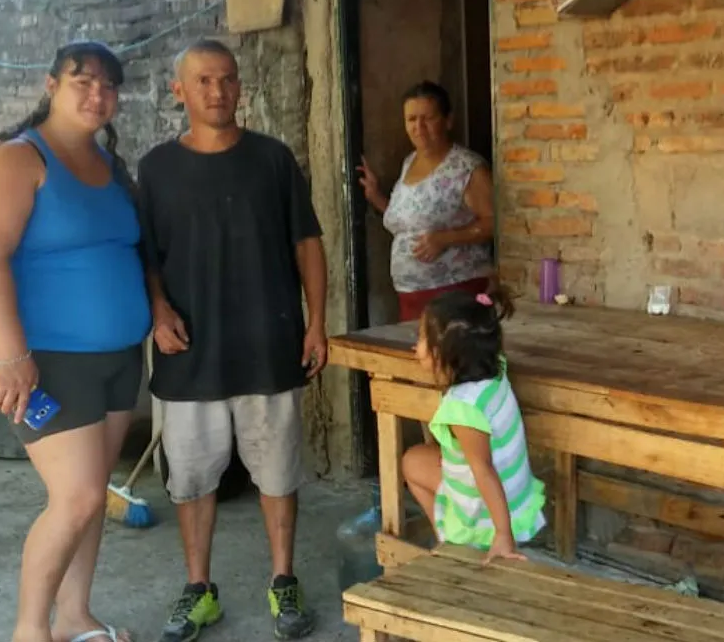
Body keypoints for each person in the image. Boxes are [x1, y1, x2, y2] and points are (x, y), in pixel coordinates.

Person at [137, 39, 327, 642]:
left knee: (277, 471)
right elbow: (146, 258)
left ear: (240, 86)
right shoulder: (157, 168)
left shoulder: (273, 159)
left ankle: (283, 582)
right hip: (188, 352)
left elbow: (307, 244)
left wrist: (316, 321)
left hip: (268, 345)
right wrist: (158, 310)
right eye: (202, 81)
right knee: (191, 479)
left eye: (226, 80)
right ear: (179, 91)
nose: (216, 92)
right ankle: (199, 590)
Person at [0, 41, 150, 642]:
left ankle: (75, 616)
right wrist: (12, 356)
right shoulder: (19, 161)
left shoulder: (108, 166)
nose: (98, 94)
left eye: (108, 85)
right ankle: (30, 630)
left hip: (119, 359)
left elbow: (128, 253)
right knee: (74, 498)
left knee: (94, 497)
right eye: (83, 81)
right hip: (51, 363)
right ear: (51, 85)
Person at [401, 285, 547, 561]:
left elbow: (483, 471)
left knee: (411, 463)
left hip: (487, 514)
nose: (415, 347)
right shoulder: (495, 369)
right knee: (416, 458)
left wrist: (503, 535)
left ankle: (456, 543)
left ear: (445, 353)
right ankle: (454, 542)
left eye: (422, 339)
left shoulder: (463, 408)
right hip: (516, 495)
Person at [357, 81, 495, 323]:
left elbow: (494, 223)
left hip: (453, 294)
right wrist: (376, 196)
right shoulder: (409, 162)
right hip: (410, 297)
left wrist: (445, 238)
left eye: (428, 118)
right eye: (411, 119)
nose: (418, 127)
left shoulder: (467, 168)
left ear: (448, 120)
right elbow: (409, 223)